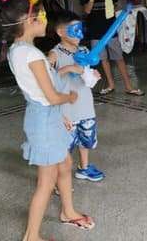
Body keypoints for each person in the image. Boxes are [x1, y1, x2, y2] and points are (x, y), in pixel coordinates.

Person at [0, 0, 94, 241]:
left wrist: (60, 115)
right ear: (29, 21)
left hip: (46, 117)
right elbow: (52, 96)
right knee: (45, 182)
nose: (45, 20)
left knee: (65, 163)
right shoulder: (30, 55)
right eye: (41, 15)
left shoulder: (19, 49)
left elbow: (41, 94)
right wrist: (70, 100)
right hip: (44, 118)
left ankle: (68, 211)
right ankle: (32, 236)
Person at [48, 11, 105, 182]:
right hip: (66, 110)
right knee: (65, 146)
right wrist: (67, 69)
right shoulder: (55, 54)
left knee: (85, 140)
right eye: (74, 29)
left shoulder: (84, 50)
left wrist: (93, 74)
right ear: (60, 32)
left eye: (81, 29)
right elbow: (46, 79)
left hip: (85, 106)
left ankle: (84, 168)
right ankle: (60, 178)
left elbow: (87, 75)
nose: (79, 34)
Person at [80, 0, 143, 96]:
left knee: (119, 57)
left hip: (110, 29)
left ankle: (129, 87)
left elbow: (113, 8)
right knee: (103, 59)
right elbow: (87, 10)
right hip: (95, 31)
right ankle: (111, 85)